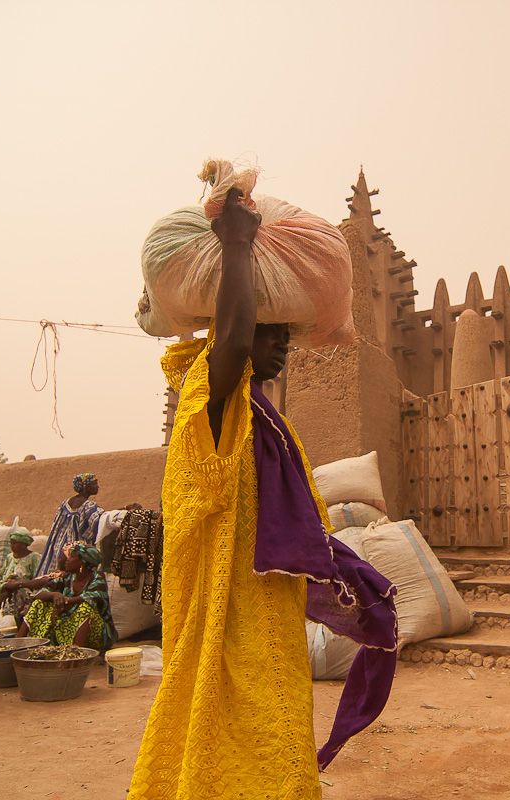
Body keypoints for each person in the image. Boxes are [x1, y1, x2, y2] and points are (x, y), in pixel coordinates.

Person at [127, 189, 398, 800]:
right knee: (232, 729)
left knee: (270, 729)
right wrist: (237, 244)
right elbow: (229, 346)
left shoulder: (257, 418)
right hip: (225, 612)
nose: (283, 347)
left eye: (284, 336)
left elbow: (283, 519)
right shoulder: (209, 396)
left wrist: (342, 566)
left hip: (264, 609)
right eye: (269, 332)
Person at [11, 541, 117, 651]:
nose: (67, 560)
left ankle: (77, 654)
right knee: (39, 603)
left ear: (83, 562)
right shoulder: (67, 577)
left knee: (85, 609)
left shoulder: (97, 577)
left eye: (72, 557)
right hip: (67, 623)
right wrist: (55, 595)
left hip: (95, 631)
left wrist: (62, 603)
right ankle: (18, 647)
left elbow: (90, 598)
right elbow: (39, 593)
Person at [36, 473, 102, 577]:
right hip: (74, 551)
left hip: (58, 546)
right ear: (86, 487)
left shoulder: (65, 503)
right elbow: (101, 520)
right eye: (94, 484)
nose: (98, 487)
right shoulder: (88, 506)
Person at [0, 528, 41, 624]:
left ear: (23, 545)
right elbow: (2, 575)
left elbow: (37, 578)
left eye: (15, 543)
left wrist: (16, 583)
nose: (12, 546)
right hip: (6, 584)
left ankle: (11, 619)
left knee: (19, 592)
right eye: (11, 543)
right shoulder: (9, 557)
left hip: (23, 585)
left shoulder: (34, 557)